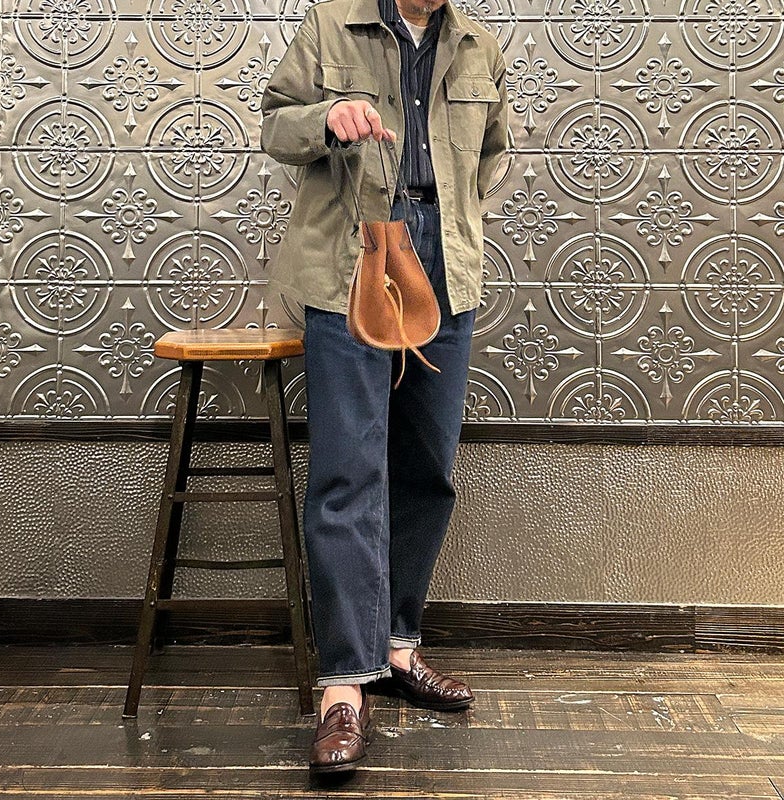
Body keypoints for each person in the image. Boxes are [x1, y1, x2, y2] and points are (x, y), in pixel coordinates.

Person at [260, 0, 509, 773]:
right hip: (350, 261)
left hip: (444, 265)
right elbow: (276, 127)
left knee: (428, 468)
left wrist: (453, 222)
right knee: (347, 473)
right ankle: (344, 683)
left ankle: (397, 647)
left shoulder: (477, 44)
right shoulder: (330, 24)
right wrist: (327, 119)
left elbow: (493, 156)